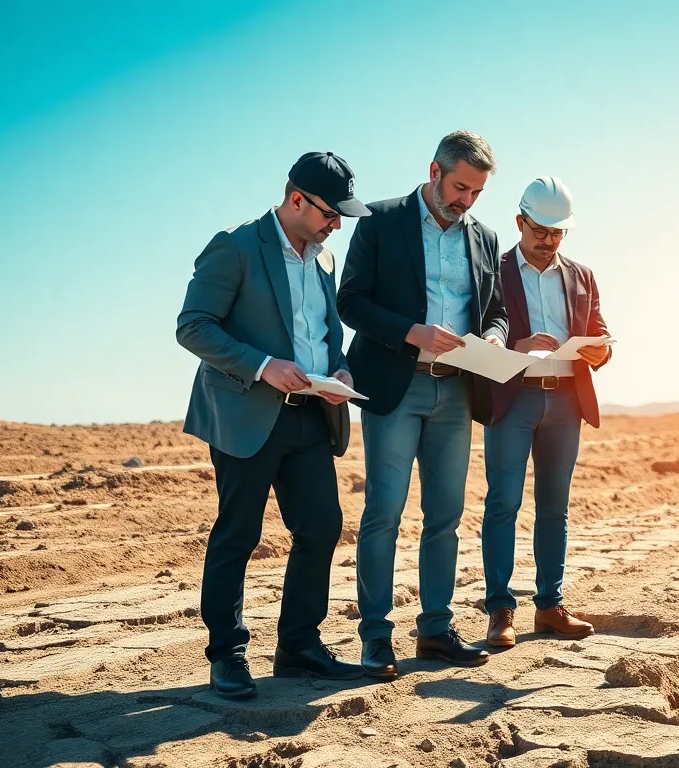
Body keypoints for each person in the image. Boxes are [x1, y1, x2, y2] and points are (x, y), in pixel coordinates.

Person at [177, 151, 370, 700]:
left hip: (311, 413)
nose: (337, 225)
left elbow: (326, 333)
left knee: (321, 526)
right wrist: (264, 366)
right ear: (296, 200)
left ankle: (299, 648)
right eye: (332, 214)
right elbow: (193, 328)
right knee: (239, 533)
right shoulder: (235, 247)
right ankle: (227, 654)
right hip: (245, 414)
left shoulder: (325, 261)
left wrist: (339, 367)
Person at [337, 131, 508, 680]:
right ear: (434, 170)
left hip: (457, 389)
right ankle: (376, 637)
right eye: (460, 187)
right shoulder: (381, 220)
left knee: (446, 515)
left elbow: (497, 310)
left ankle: (435, 629)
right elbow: (351, 301)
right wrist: (410, 332)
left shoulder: (484, 238)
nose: (466, 201)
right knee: (384, 512)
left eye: (477, 193)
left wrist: (498, 338)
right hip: (394, 384)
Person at [479, 177, 611, 648]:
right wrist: (516, 344)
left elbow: (598, 331)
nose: (549, 241)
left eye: (558, 233)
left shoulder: (582, 275)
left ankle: (549, 607)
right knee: (503, 505)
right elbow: (480, 333)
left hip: (566, 401)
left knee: (554, 508)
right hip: (513, 399)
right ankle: (500, 611)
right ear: (520, 222)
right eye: (541, 231)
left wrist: (600, 352)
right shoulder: (492, 271)